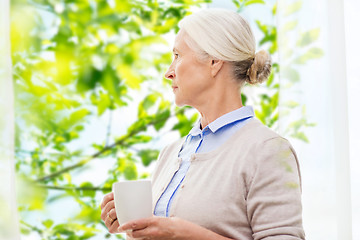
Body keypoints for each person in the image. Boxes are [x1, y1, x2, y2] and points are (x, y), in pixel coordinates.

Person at [100, 8, 305, 240]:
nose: (168, 72)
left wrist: (187, 234)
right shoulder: (171, 153)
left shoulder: (268, 150)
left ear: (214, 62)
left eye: (177, 56)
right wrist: (135, 227)